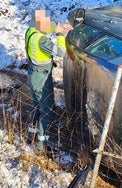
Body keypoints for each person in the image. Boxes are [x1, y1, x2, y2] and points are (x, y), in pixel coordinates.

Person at [25, 9, 72, 153]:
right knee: (47, 112)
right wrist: (59, 34)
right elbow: (60, 52)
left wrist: (60, 25)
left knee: (36, 107)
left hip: (32, 74)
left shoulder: (31, 31)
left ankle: (30, 137)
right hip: (42, 78)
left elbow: (44, 26)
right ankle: (41, 146)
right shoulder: (42, 40)